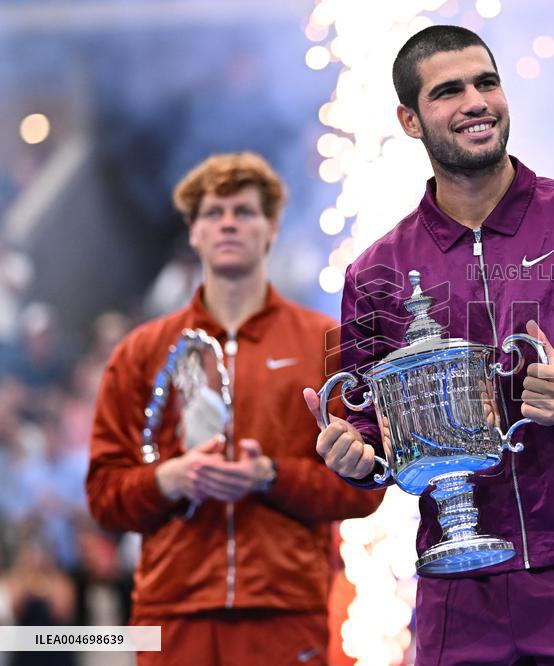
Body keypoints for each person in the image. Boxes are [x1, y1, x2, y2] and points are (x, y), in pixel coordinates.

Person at [306, 25, 554, 665]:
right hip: (457, 586)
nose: (475, 102)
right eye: (449, 91)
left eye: (486, 82)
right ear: (410, 120)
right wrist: (355, 456)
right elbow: (372, 431)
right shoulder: (376, 272)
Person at [87, 152, 383, 666]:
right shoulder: (141, 351)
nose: (227, 222)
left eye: (244, 211)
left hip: (286, 609)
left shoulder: (323, 342)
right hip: (171, 611)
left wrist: (270, 476)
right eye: (212, 212)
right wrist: (169, 480)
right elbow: (104, 496)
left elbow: (365, 488)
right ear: (193, 233)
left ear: (270, 229)